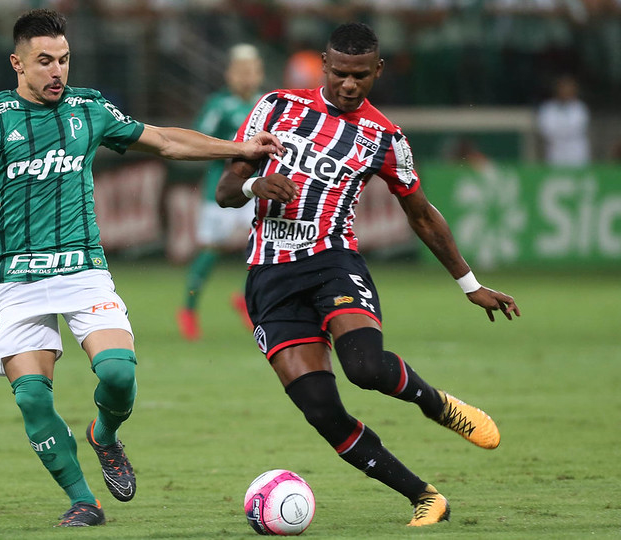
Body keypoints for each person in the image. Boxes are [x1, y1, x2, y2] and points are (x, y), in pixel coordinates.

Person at [0, 8, 283, 528]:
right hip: (15, 278)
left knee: (118, 374)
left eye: (64, 60)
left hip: (83, 271)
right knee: (32, 397)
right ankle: (83, 500)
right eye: (44, 61)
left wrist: (240, 148)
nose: (57, 71)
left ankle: (105, 435)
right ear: (18, 64)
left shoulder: (88, 109)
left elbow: (163, 140)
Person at [216, 22, 521, 528]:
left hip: (333, 262)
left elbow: (421, 213)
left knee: (365, 367)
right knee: (320, 410)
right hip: (270, 277)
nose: (349, 85)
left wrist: (470, 284)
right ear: (323, 65)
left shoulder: (384, 136)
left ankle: (436, 404)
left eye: (360, 75)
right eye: (339, 73)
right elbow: (225, 190)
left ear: (377, 70)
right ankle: (426, 497)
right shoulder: (275, 107)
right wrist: (255, 187)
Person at [177, 43, 264, 341]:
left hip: (253, 188)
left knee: (264, 244)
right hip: (221, 188)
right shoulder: (218, 105)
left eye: (251, 71)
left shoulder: (264, 104)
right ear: (229, 74)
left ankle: (247, 298)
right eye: (240, 71)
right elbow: (201, 139)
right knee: (211, 250)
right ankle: (189, 308)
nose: (246, 77)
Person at [537, 74, 590, 167]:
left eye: (568, 88)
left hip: (576, 152)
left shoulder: (580, 108)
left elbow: (576, 128)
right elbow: (546, 130)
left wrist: (559, 129)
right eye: (563, 88)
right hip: (555, 151)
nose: (565, 91)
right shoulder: (548, 108)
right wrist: (562, 130)